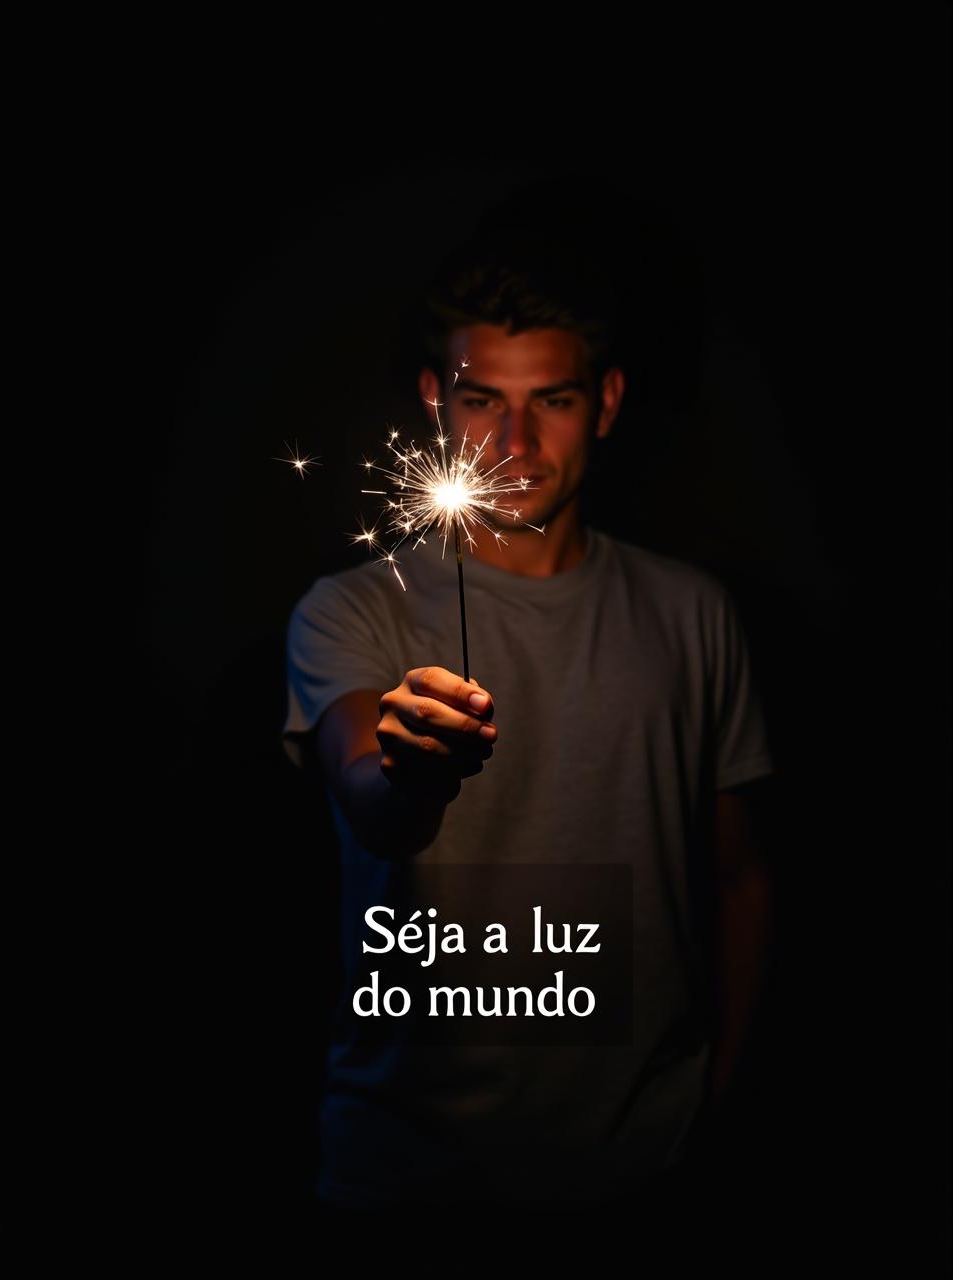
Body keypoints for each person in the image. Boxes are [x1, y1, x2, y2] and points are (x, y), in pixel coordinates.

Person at [283, 203, 776, 1221]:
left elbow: (738, 876)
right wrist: (410, 771)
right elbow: (369, 796)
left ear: (607, 400)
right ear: (433, 397)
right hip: (403, 1183)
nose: (512, 441)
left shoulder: (694, 613)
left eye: (550, 398)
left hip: (648, 1181)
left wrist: (716, 1105)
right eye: (478, 400)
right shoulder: (351, 609)